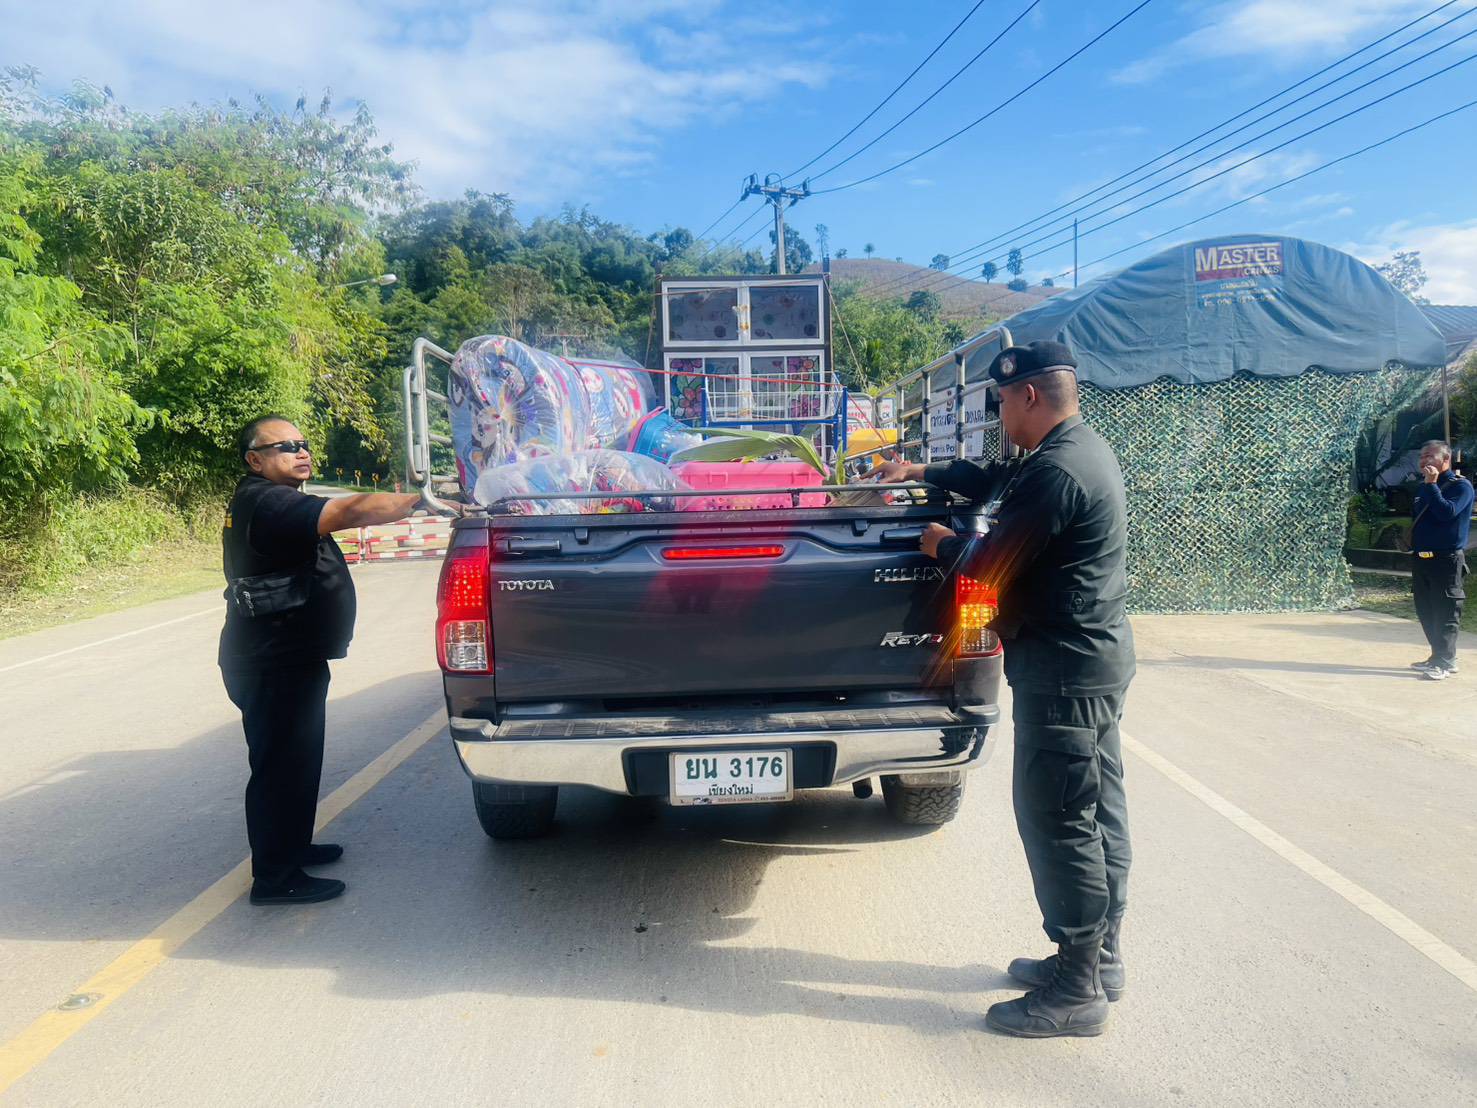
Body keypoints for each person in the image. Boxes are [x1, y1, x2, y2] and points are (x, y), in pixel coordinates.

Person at [869, 340, 1133, 1038]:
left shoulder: (1058, 473)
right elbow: (993, 479)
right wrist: (919, 468)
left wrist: (939, 545)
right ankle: (1097, 960)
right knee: (1095, 808)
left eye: (1002, 404)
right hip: (1089, 663)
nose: (999, 418)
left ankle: (1076, 989)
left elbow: (989, 567)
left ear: (1029, 396)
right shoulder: (1073, 452)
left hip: (1064, 671)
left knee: (1059, 817)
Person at [220, 415, 447, 905]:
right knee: (280, 767)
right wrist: (423, 501)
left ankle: (293, 846)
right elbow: (349, 510)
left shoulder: (272, 498)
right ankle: (275, 879)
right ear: (255, 460)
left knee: (299, 760)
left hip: (288, 655)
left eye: (303, 443)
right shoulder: (269, 501)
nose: (301, 451)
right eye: (285, 446)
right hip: (272, 660)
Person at [1408, 440, 1472, 681]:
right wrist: (1429, 485)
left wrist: (1433, 485)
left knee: (1445, 612)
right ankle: (1438, 656)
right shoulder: (1423, 487)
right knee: (1426, 610)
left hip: (1446, 560)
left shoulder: (1461, 486)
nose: (1424, 460)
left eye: (1430, 456)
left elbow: (1447, 513)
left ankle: (1445, 662)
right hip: (1421, 559)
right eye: (1422, 456)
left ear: (1446, 459)